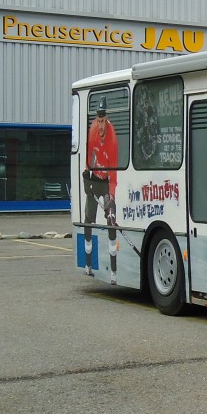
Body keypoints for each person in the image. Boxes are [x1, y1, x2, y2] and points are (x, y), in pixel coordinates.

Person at [83, 102, 119, 284]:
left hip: (106, 182)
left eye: (103, 120)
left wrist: (111, 196)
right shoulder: (93, 131)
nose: (101, 125)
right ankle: (88, 265)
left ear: (107, 119)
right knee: (88, 219)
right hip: (94, 181)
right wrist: (87, 180)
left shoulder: (112, 138)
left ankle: (113, 272)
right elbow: (88, 158)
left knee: (111, 220)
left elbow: (113, 173)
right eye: (99, 120)